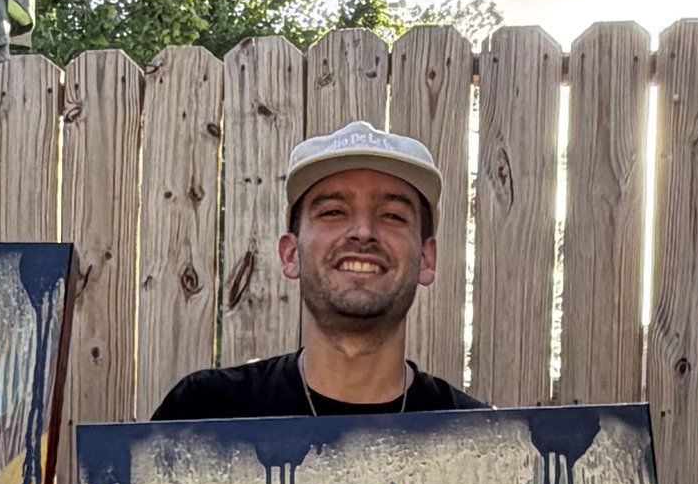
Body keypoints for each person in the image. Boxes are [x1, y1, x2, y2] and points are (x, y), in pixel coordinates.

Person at [151, 120, 484, 418]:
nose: (363, 231)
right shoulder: (204, 413)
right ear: (290, 254)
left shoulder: (477, 438)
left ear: (427, 258)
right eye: (333, 212)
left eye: (392, 215)